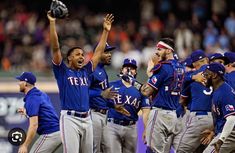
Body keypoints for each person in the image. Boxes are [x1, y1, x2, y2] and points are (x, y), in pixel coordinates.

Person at [48, 11, 114, 153]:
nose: (81, 57)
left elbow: (98, 52)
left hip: (87, 119)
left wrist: (105, 31)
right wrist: (52, 23)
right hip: (70, 119)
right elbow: (55, 47)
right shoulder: (62, 71)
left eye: (82, 55)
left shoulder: (85, 71)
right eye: (77, 54)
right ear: (69, 58)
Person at [139, 38, 185, 153]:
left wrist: (148, 74)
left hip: (160, 114)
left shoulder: (163, 67)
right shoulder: (180, 68)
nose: (156, 52)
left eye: (159, 49)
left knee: (152, 150)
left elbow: (146, 92)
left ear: (169, 51)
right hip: (173, 115)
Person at [103, 58, 150, 153]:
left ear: (136, 71)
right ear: (121, 70)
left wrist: (146, 129)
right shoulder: (111, 85)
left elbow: (146, 111)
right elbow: (102, 102)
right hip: (112, 125)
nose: (129, 70)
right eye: (126, 67)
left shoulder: (141, 90)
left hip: (131, 127)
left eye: (132, 68)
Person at [176, 50, 213, 153]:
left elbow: (182, 100)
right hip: (216, 118)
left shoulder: (192, 76)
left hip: (199, 117)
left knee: (181, 151)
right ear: (207, 60)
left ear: (194, 64)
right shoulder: (219, 75)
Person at [16, 72, 61, 153]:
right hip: (58, 132)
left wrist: (25, 145)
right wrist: (27, 112)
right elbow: (43, 112)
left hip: (50, 134)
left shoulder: (32, 98)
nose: (18, 83)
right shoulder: (41, 94)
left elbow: (34, 125)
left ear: (25, 83)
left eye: (20, 81)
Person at [202, 63, 235, 153]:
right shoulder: (218, 90)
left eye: (206, 74)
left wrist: (221, 140)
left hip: (231, 131)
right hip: (226, 130)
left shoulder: (224, 92)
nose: (204, 77)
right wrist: (213, 131)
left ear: (214, 75)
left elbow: (232, 119)